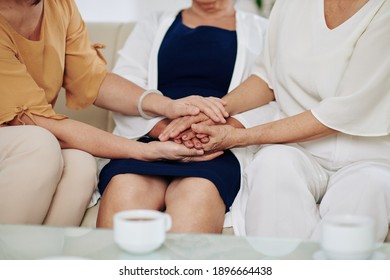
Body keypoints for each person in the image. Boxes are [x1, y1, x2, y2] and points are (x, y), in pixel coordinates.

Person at [160, 0, 390, 241]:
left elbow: (342, 113)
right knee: (272, 163)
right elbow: (266, 78)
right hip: (297, 147)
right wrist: (212, 114)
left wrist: (239, 137)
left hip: (368, 158)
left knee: (367, 189)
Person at [0, 0, 229, 226]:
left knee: (81, 165)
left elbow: (92, 79)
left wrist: (167, 105)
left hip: (30, 133)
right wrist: (143, 150)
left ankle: (39, 260)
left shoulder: (58, 5)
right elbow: (35, 122)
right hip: (25, 133)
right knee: (38, 142)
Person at [96, 0, 272, 233]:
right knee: (124, 192)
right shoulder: (154, 23)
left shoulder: (264, 30)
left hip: (217, 150)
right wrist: (165, 130)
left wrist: (221, 131)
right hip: (149, 141)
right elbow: (124, 89)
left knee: (196, 196)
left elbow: (272, 98)